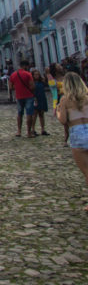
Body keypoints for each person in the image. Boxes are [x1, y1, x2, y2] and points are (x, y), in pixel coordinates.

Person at [56, 72, 88, 212]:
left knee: (86, 171)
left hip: (77, 133)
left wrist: (57, 112)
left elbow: (63, 120)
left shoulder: (65, 100)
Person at [10, 60, 36, 137]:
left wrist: (18, 87)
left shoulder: (13, 75)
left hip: (19, 96)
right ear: (25, 66)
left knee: (19, 114)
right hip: (29, 96)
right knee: (29, 114)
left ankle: (19, 131)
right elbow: (32, 86)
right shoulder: (28, 74)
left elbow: (10, 87)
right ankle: (28, 132)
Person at [31, 68, 50, 136]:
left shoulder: (41, 82)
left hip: (42, 98)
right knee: (34, 115)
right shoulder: (32, 82)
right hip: (35, 99)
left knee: (41, 114)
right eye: (35, 75)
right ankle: (32, 129)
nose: (37, 76)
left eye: (38, 74)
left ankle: (43, 129)